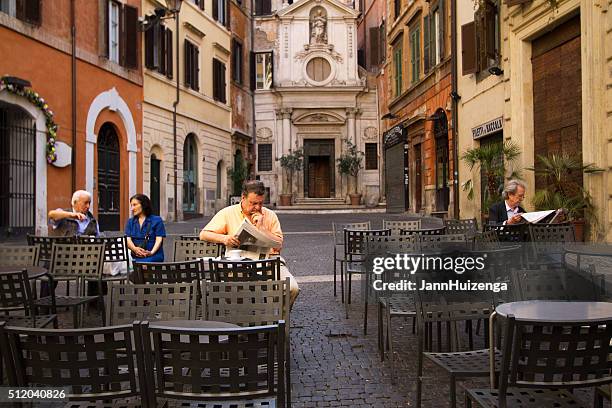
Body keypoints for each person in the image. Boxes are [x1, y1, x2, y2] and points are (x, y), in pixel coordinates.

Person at [200, 180, 300, 305]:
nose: (257, 207)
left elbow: (279, 244)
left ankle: (279, 318)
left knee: (292, 288)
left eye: (260, 203)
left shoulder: (270, 215)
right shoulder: (228, 213)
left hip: (269, 263)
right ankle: (239, 319)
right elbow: (204, 234)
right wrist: (225, 239)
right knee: (231, 290)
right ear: (243, 197)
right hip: (238, 265)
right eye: (253, 203)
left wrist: (262, 229)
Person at [125, 194, 166, 262]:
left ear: (143, 205)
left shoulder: (157, 220)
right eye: (131, 205)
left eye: (135, 205)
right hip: (134, 256)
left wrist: (151, 252)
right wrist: (135, 249)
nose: (132, 208)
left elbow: (159, 240)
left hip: (153, 255)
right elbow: (128, 239)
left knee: (144, 265)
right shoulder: (130, 222)